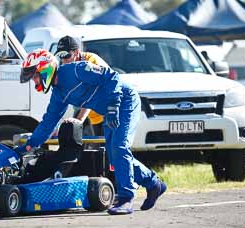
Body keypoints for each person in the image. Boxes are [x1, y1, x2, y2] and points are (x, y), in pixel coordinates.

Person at [16, 49, 166, 215]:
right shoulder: (58, 94)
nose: (35, 81)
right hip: (110, 110)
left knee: (119, 147)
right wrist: (29, 145)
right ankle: (153, 184)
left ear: (45, 69)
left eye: (35, 76)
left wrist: (113, 106)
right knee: (113, 154)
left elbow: (112, 76)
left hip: (124, 101)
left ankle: (126, 198)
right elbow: (48, 123)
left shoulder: (76, 70)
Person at [55, 35, 108, 136]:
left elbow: (92, 94)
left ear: (76, 52)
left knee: (113, 149)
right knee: (98, 150)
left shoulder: (91, 62)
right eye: (61, 57)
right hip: (95, 116)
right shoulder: (67, 69)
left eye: (66, 56)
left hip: (110, 112)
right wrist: (56, 126)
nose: (64, 61)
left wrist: (79, 120)